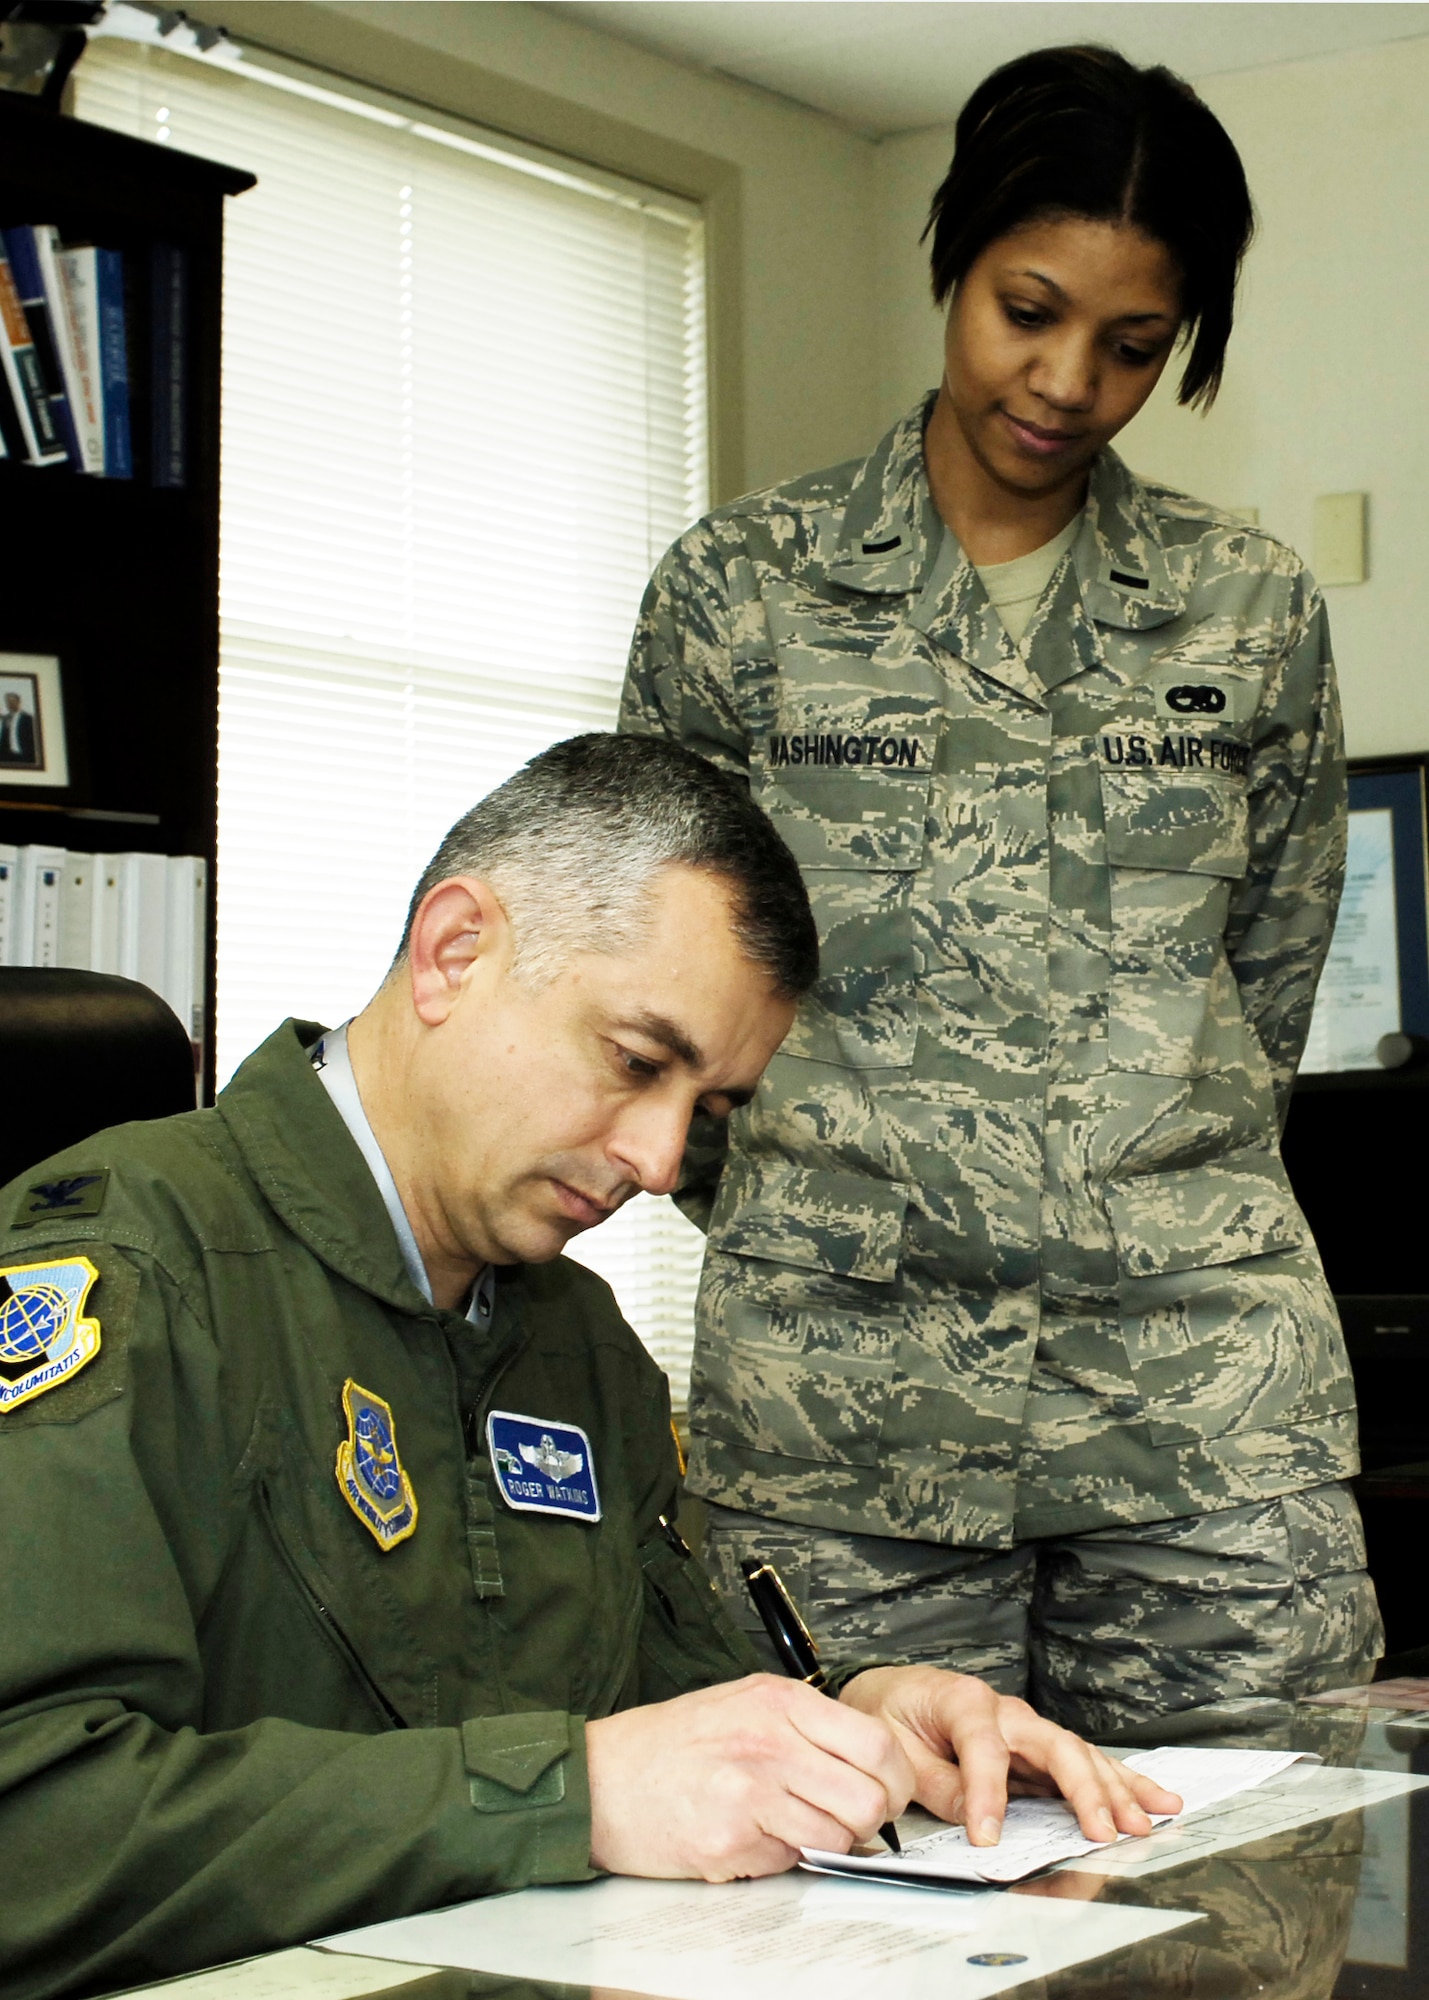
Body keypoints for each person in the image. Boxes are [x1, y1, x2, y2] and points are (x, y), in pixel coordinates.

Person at [0, 733, 1174, 2000]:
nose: (663, 1160)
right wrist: (571, 1793)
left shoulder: (575, 1337)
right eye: (634, 1061)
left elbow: (666, 1705)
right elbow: (32, 1829)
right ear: (455, 951)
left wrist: (864, 1721)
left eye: (709, 1106)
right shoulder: (125, 1275)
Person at [620, 46, 1382, 1736]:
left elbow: (1257, 1001)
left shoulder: (1241, 611)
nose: (1063, 383)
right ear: (949, 262)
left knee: (1250, 1919)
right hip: (838, 1429)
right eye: (1022, 311)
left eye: (1130, 346)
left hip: (1197, 1422)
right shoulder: (740, 599)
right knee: (827, 1938)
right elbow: (665, 1005)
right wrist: (839, 1208)